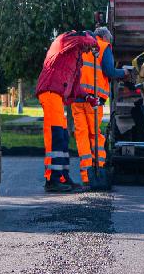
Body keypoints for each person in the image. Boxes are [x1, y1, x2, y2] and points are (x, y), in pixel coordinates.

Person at [36, 30, 100, 192]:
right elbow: (81, 39)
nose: (87, 51)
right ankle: (52, 179)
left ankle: (62, 176)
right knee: (56, 135)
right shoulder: (65, 40)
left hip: (56, 95)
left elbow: (76, 87)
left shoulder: (75, 59)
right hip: (50, 92)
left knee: (63, 136)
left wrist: (88, 98)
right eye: (87, 47)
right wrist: (95, 43)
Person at [71, 27, 126, 186]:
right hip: (94, 101)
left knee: (81, 135)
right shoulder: (103, 46)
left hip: (78, 97)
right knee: (95, 135)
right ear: (103, 37)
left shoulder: (81, 46)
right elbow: (109, 71)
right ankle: (99, 170)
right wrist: (124, 73)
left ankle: (87, 176)